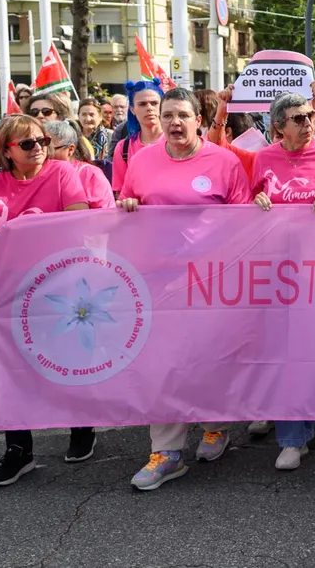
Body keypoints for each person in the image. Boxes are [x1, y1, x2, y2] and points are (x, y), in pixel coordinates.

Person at [121, 88, 251, 491]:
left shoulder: (224, 161)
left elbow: (244, 220)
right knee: (161, 363)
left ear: (199, 120)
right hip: (157, 278)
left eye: (183, 115)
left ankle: (215, 426)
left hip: (210, 280)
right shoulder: (141, 160)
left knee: (208, 358)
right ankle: (168, 452)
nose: (175, 122)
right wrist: (126, 206)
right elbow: (127, 202)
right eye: (168, 114)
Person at [0, 115, 90, 486]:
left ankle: (81, 426)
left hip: (61, 287)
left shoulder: (61, 174)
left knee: (68, 361)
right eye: (27, 143)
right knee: (12, 368)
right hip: (12, 289)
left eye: (42, 140)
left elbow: (79, 226)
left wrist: (29, 226)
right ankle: (18, 450)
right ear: (6, 151)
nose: (38, 146)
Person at [249, 92, 315, 470]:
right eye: (298, 118)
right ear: (278, 126)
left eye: (310, 115)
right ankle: (292, 438)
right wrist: (256, 204)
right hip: (277, 270)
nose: (308, 122)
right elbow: (246, 207)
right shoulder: (263, 158)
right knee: (285, 350)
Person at [42, 120, 113, 209]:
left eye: (50, 150)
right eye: (41, 147)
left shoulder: (90, 174)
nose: (43, 153)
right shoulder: (36, 171)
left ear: (70, 149)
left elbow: (103, 214)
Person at [110, 81, 164, 197]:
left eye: (154, 103)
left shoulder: (176, 141)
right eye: (142, 104)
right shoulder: (123, 148)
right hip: (139, 213)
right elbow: (121, 193)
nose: (149, 108)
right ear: (132, 109)